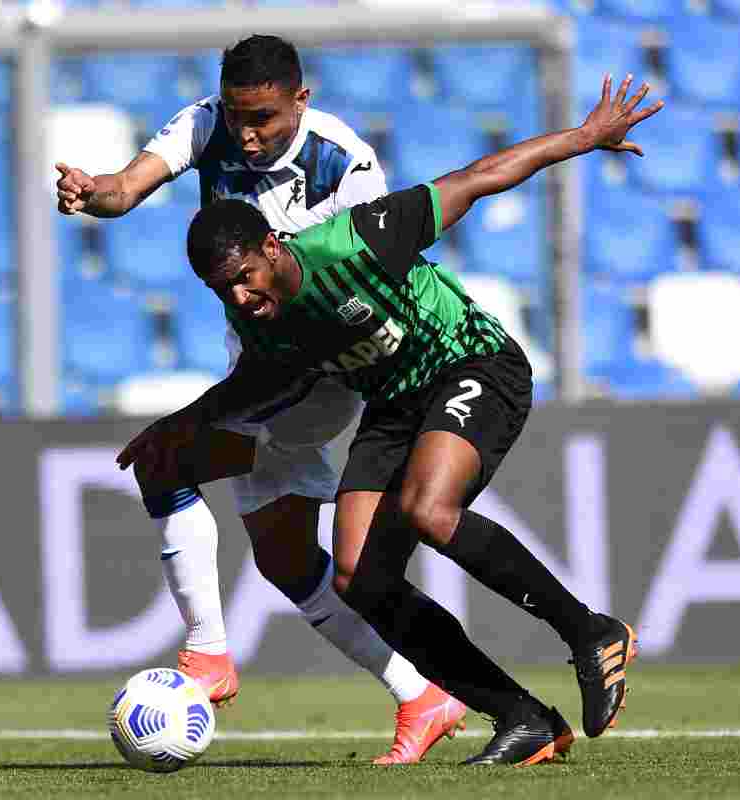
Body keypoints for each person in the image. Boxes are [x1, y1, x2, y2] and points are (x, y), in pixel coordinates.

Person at [116, 73, 664, 765]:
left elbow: (479, 177)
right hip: (395, 402)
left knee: (430, 511)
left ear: (275, 248)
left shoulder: (357, 241)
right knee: (357, 579)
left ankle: (590, 632)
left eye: (245, 276)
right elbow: (251, 384)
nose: (239, 295)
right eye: (221, 289)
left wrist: (584, 138)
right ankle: (521, 716)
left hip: (471, 363)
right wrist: (179, 425)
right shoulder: (258, 324)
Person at [55, 35, 464, 764]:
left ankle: (209, 655)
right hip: (259, 367)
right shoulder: (207, 124)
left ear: (300, 101)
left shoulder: (345, 164)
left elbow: (370, 280)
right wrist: (96, 195)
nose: (247, 134)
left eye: (265, 119)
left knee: (165, 461)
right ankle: (423, 697)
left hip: (322, 372)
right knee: (283, 559)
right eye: (239, 115)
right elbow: (129, 183)